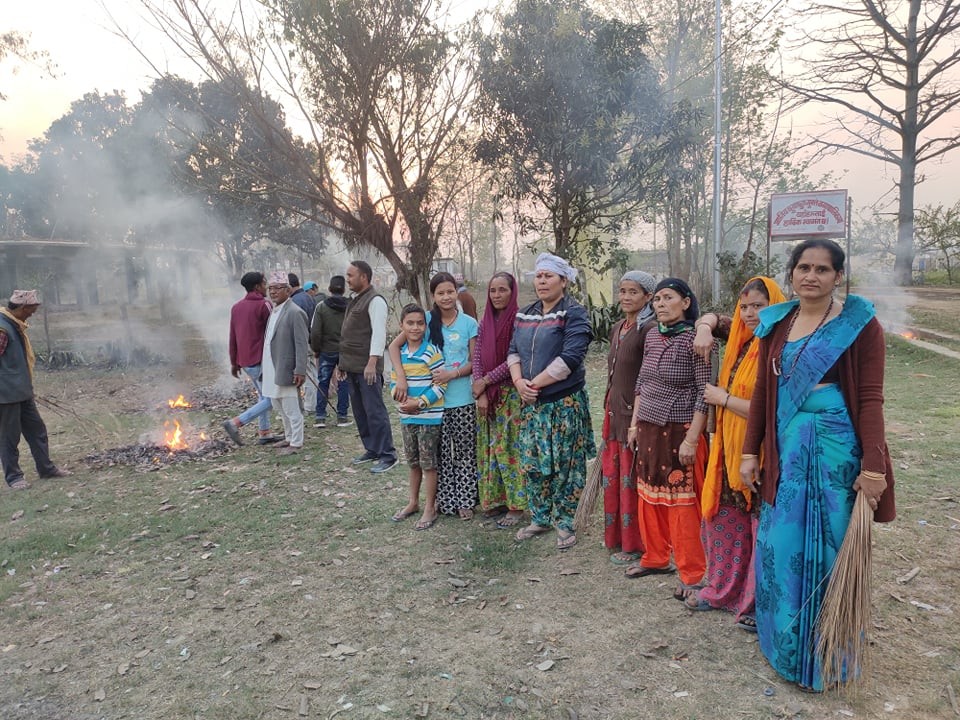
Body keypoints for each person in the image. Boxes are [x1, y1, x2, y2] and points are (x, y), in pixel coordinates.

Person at [740, 239, 895, 692]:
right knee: (781, 542)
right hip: (786, 448)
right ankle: (783, 645)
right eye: (803, 267)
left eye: (822, 269)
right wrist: (751, 452)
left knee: (828, 546)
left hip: (834, 451)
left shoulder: (859, 326)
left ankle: (828, 648)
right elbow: (763, 397)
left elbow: (870, 399)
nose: (811, 276)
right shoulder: (776, 322)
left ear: (838, 277)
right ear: (791, 274)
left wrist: (873, 466)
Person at [682, 276, 786, 631]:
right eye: (745, 306)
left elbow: (772, 407)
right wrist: (703, 328)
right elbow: (711, 317)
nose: (751, 313)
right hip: (728, 449)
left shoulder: (781, 343)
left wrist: (723, 399)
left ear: (776, 303)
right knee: (726, 521)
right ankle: (723, 588)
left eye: (759, 305)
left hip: (758, 453)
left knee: (760, 530)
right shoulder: (742, 338)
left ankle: (755, 603)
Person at [626, 278, 709, 599]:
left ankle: (692, 573)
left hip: (679, 428)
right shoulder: (652, 336)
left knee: (681, 502)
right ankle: (657, 558)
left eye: (668, 298)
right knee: (649, 495)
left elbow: (704, 392)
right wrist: (634, 424)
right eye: (657, 299)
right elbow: (642, 382)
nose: (659, 304)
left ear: (686, 303)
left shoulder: (698, 341)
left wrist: (692, 438)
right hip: (647, 427)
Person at [509, 253, 594, 550]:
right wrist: (520, 382)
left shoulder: (574, 313)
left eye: (549, 276)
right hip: (532, 404)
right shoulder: (525, 314)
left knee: (566, 465)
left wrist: (534, 384)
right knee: (533, 463)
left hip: (563, 403)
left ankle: (566, 520)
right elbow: (513, 352)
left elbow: (571, 357)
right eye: (539, 276)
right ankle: (540, 517)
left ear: (564, 280)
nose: (542, 281)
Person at [390, 272, 479, 519]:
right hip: (433, 403)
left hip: (461, 398)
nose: (446, 297)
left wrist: (452, 374)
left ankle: (465, 501)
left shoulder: (469, 323)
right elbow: (394, 346)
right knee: (437, 455)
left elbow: (475, 362)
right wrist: (402, 377)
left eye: (450, 291)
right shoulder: (425, 320)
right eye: (440, 293)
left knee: (463, 452)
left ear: (457, 292)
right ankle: (442, 501)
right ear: (433, 296)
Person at [601, 270, 657, 565]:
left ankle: (635, 544)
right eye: (622, 291)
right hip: (613, 412)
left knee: (630, 480)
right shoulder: (618, 327)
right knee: (613, 477)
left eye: (633, 292)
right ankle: (616, 538)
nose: (626, 297)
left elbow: (647, 379)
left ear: (648, 296)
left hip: (633, 416)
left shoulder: (650, 330)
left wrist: (636, 419)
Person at [0, 290, 70, 489]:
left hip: (22, 392)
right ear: (22, 308)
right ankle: (14, 477)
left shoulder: (15, 325)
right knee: (9, 438)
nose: (33, 313)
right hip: (6, 396)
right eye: (32, 309)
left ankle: (46, 469)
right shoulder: (2, 329)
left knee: (37, 430)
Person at [472, 272, 526, 528]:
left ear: (512, 291)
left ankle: (516, 506)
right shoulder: (484, 323)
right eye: (493, 290)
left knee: (510, 450)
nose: (497, 295)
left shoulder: (519, 321)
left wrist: (487, 381)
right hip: (487, 397)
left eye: (502, 290)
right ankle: (495, 500)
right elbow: (477, 358)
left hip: (510, 395)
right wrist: (480, 390)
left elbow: (514, 359)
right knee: (490, 450)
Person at [389, 304, 447, 531]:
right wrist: (400, 398)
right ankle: (413, 502)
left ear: (425, 326)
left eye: (420, 323)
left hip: (429, 418)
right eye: (410, 323)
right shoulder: (400, 356)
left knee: (428, 464)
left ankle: (429, 508)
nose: (415, 327)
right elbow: (394, 383)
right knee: (413, 463)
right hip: (407, 419)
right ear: (402, 326)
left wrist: (420, 402)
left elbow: (441, 385)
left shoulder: (432, 352)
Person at [338, 260, 398, 473]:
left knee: (374, 411)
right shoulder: (355, 300)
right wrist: (342, 364)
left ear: (364, 277)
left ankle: (388, 455)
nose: (348, 279)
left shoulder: (375, 301)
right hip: (353, 366)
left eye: (351, 275)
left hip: (368, 368)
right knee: (360, 411)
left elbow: (379, 334)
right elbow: (349, 334)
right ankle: (372, 449)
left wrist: (373, 362)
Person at [223, 272, 281, 446]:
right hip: (261, 361)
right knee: (273, 399)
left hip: (245, 361)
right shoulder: (265, 305)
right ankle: (236, 423)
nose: (267, 288)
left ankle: (265, 432)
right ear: (257, 287)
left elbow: (232, 336)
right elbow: (273, 334)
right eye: (264, 284)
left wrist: (234, 362)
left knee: (263, 397)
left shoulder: (236, 307)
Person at [262, 271, 309, 456]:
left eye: (277, 288)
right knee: (278, 405)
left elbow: (301, 344)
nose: (273, 292)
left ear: (288, 290)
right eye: (270, 289)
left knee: (291, 407)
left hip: (288, 368)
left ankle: (296, 442)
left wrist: (300, 369)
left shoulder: (295, 312)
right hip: (273, 366)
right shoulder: (274, 310)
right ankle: (289, 436)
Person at [309, 275, 352, 428]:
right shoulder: (350, 306)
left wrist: (316, 349)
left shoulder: (321, 307)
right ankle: (342, 416)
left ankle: (320, 417)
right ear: (344, 288)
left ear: (329, 289)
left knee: (323, 382)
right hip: (345, 352)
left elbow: (315, 332)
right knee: (344, 382)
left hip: (326, 351)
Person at [289, 273, 318, 416]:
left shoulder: (294, 302)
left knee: (305, 374)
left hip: (302, 342)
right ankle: (314, 403)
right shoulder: (309, 297)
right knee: (312, 371)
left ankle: (309, 406)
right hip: (311, 339)